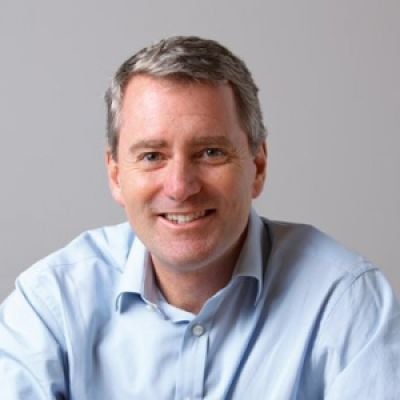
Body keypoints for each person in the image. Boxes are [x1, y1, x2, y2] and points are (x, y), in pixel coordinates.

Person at [0, 36, 399, 399]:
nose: (180, 186)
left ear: (257, 166)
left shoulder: (344, 301)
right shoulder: (51, 305)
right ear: (116, 175)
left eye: (210, 152)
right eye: (152, 156)